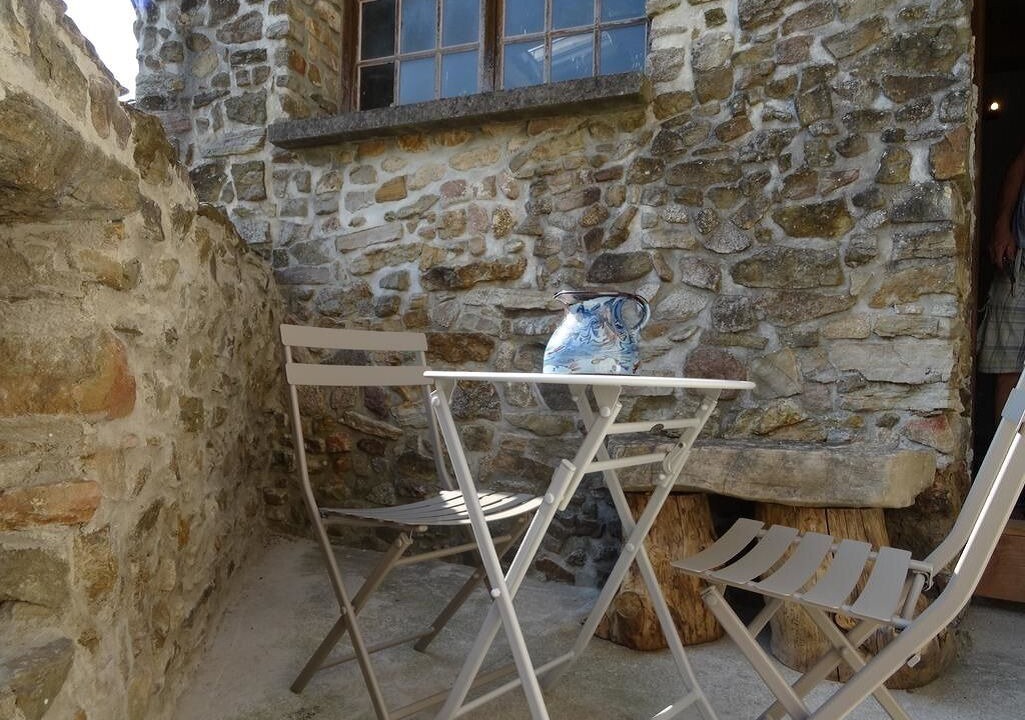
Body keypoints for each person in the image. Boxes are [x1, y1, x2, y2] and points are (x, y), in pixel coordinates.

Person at [980, 142, 1025, 417]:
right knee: (1009, 368)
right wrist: (1001, 224)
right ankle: (1008, 458)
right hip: (1021, 262)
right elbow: (1020, 165)